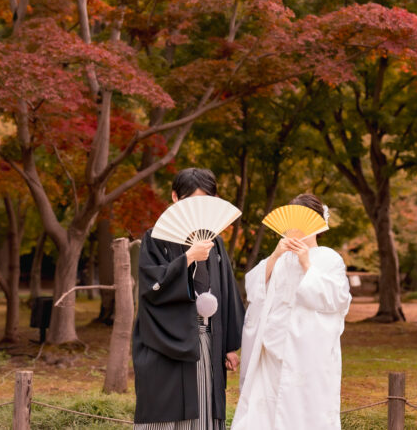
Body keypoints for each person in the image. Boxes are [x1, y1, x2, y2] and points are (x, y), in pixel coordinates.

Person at [132, 168, 244, 430]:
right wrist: (188, 258)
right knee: (164, 410)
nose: (198, 206)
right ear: (174, 197)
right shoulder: (156, 238)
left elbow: (225, 291)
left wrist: (228, 345)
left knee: (204, 408)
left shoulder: (215, 242)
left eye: (206, 199)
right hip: (166, 341)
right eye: (191, 199)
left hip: (207, 340)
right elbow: (151, 287)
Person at [231, 193, 352, 430]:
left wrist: (307, 264)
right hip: (271, 348)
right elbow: (255, 288)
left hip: (306, 350)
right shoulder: (281, 257)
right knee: (264, 410)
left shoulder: (329, 258)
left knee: (303, 410)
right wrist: (276, 255)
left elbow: (337, 300)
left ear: (318, 223)